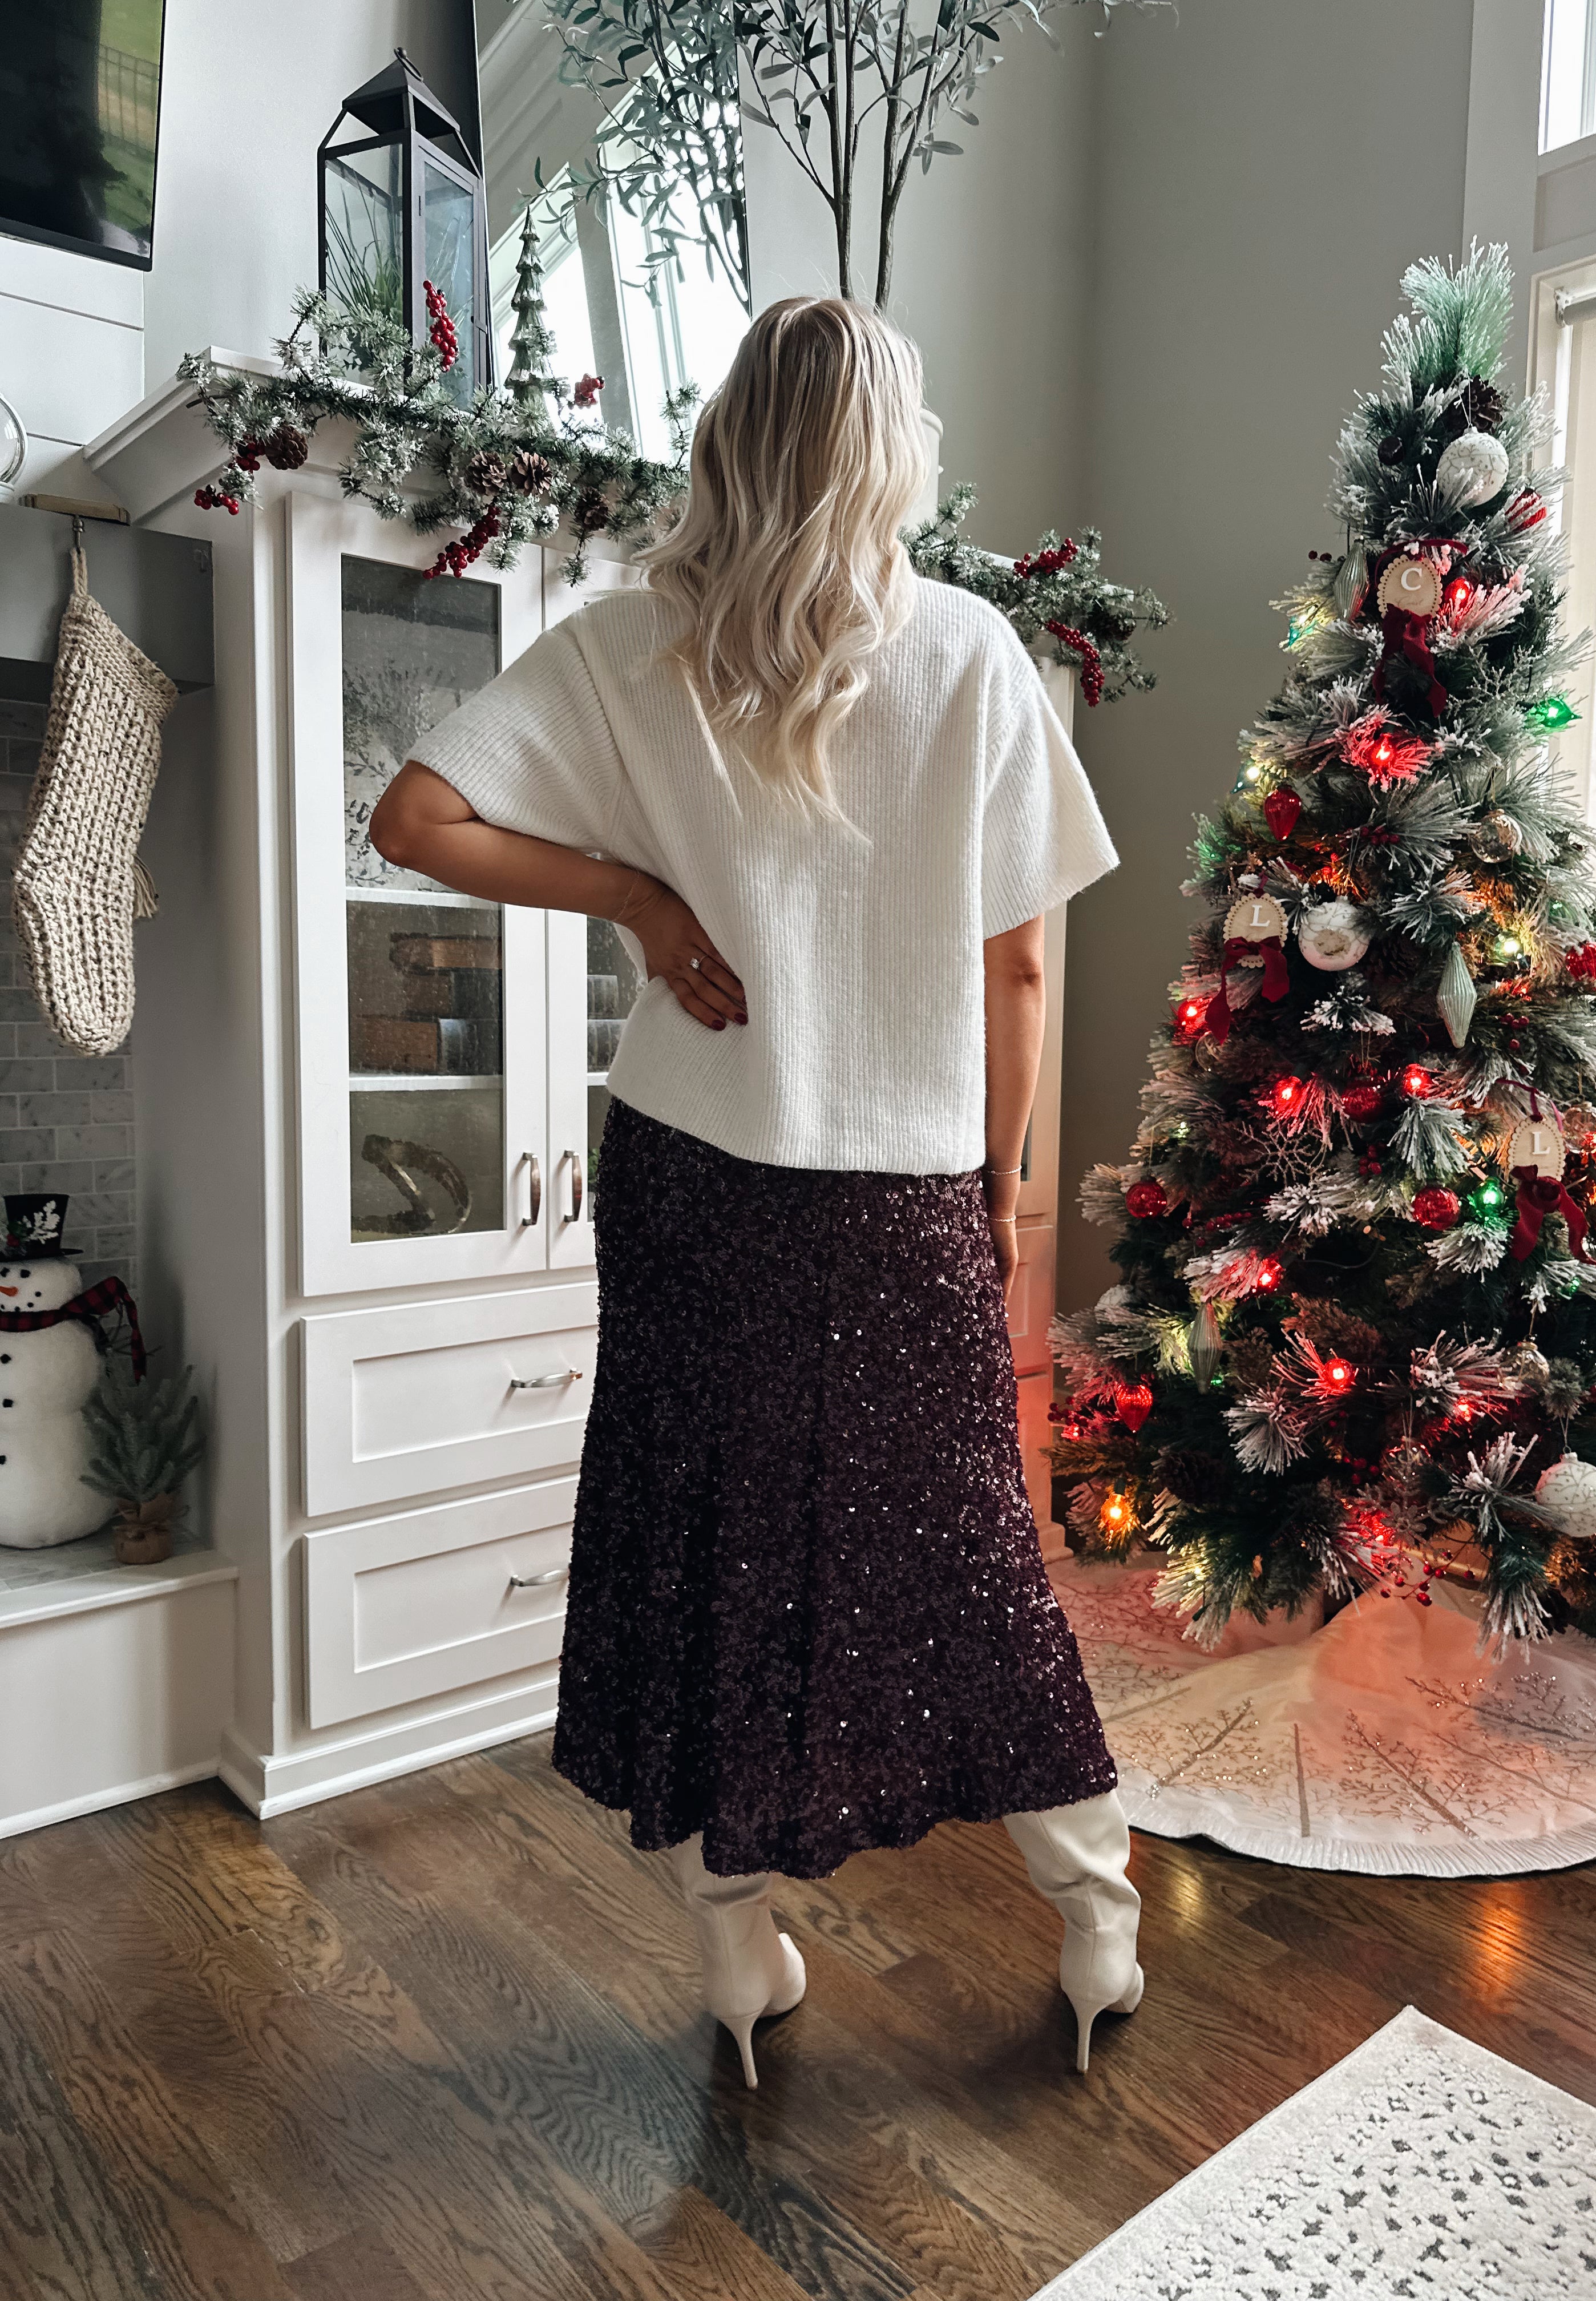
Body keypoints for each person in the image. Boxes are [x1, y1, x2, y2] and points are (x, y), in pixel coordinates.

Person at [369, 296, 1142, 2084]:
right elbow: (1018, 969)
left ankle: (740, 1963)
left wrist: (645, 901)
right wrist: (1007, 1195)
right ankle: (1097, 1916)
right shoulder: (976, 655)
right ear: (893, 448)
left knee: (702, 1549)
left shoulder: (630, 639)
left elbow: (412, 822)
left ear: (727, 438)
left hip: (694, 1178)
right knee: (968, 1561)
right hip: (900, 1191)